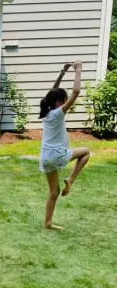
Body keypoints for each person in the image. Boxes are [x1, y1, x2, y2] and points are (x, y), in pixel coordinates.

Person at [39, 61, 90, 231]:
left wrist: (63, 72)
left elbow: (51, 93)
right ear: (60, 102)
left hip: (46, 158)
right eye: (65, 100)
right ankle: (71, 179)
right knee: (86, 152)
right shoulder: (58, 114)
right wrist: (78, 70)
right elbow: (76, 92)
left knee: (54, 192)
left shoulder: (47, 112)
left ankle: (48, 223)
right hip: (57, 155)